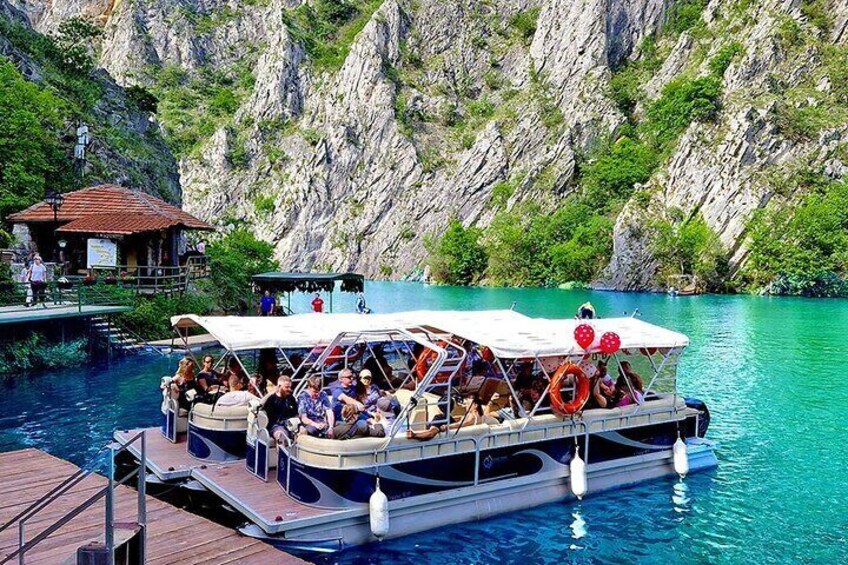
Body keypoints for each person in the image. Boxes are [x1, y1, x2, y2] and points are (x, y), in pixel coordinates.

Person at [407, 393, 485, 440]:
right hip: (457, 425)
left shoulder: (473, 416)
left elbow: (461, 424)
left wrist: (446, 426)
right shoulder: (473, 414)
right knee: (441, 417)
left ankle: (426, 433)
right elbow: (460, 420)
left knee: (441, 417)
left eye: (468, 404)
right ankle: (432, 427)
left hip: (459, 431)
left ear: (475, 405)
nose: (465, 406)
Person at [265, 374, 299, 443]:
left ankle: (296, 452)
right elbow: (270, 419)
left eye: (290, 387)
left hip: (291, 424)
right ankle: (281, 454)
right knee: (281, 435)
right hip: (277, 425)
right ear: (279, 387)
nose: (289, 389)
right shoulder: (272, 399)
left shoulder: (291, 398)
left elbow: (296, 413)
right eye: (287, 387)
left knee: (303, 431)